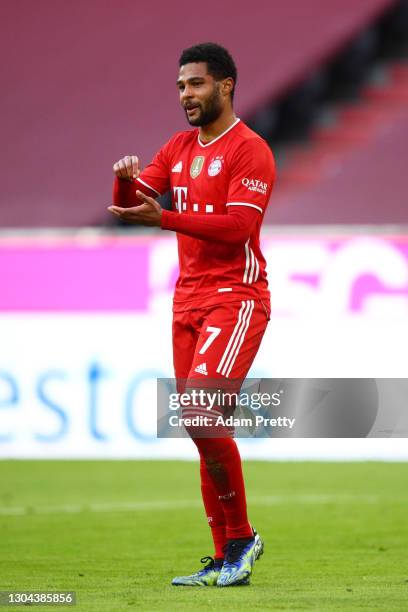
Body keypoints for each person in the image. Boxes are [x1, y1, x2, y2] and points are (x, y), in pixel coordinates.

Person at [109, 42, 276, 587]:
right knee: (199, 426)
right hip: (188, 302)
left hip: (236, 297)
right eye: (181, 85)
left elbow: (237, 229)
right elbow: (131, 204)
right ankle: (226, 556)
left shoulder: (249, 150)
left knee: (202, 417)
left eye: (197, 84)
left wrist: (167, 220)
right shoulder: (178, 147)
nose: (186, 94)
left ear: (226, 85)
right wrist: (123, 176)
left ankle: (243, 539)